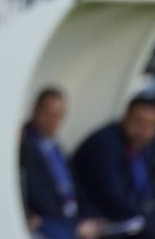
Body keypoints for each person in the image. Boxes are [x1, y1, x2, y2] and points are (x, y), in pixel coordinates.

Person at [73, 97, 155, 239]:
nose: (144, 130)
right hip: (101, 218)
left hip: (136, 217)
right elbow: (115, 198)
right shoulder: (104, 144)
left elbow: (150, 190)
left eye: (152, 125)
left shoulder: (145, 147)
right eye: (139, 122)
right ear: (126, 117)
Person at [20, 87, 104, 239]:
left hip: (71, 215)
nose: (54, 121)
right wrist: (75, 225)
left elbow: (74, 185)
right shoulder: (25, 143)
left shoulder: (55, 146)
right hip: (50, 220)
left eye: (59, 115)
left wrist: (90, 217)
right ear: (35, 110)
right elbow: (36, 193)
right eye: (49, 114)